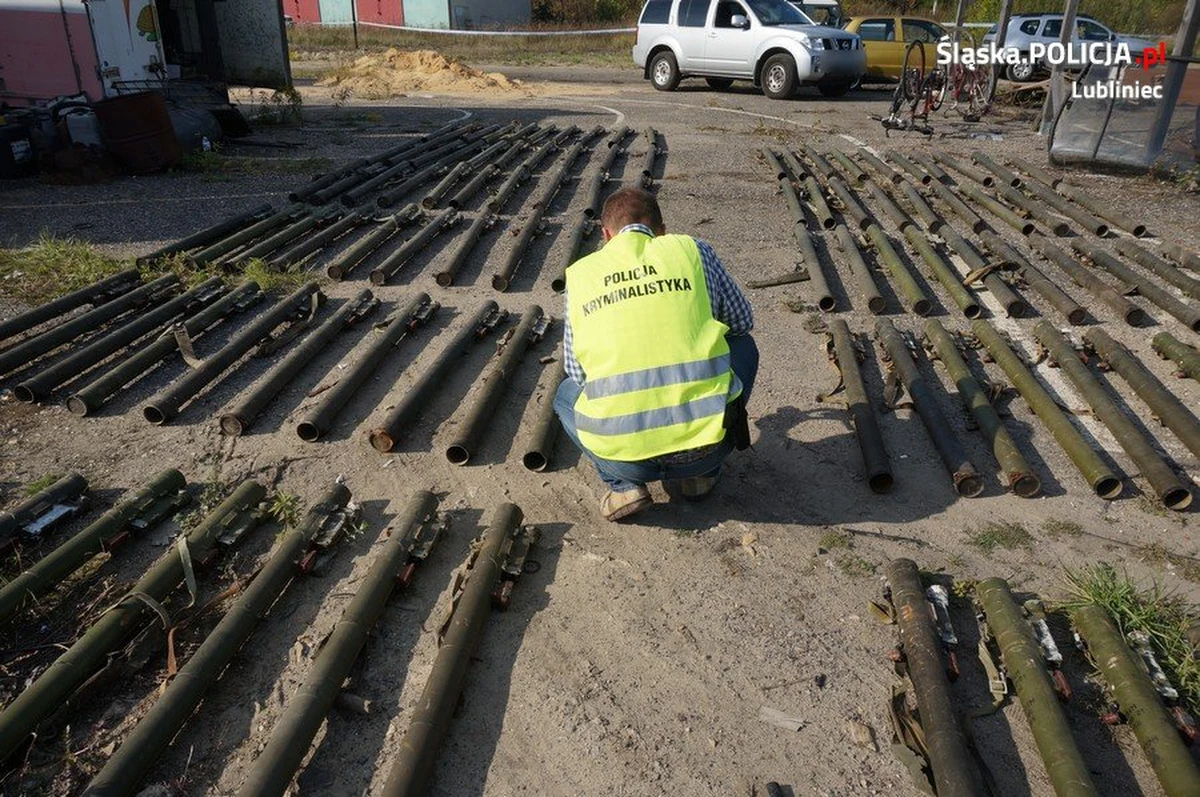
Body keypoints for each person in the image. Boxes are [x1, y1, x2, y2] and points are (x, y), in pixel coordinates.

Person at [555, 186, 759, 521]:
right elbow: (741, 322)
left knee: (565, 395)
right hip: (704, 452)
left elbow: (577, 372)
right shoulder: (693, 250)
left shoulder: (581, 274)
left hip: (625, 459)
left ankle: (623, 486)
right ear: (662, 231)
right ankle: (700, 478)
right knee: (742, 344)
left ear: (606, 235)